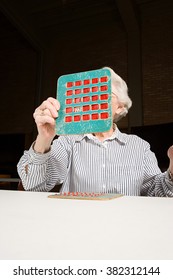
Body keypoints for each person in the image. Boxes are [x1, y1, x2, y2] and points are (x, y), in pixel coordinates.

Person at [17, 67, 173, 196]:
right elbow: (33, 186)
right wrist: (44, 137)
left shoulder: (139, 146)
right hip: (74, 225)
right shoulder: (68, 141)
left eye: (103, 92)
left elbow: (157, 192)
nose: (92, 99)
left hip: (125, 225)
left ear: (119, 106)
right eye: (89, 93)